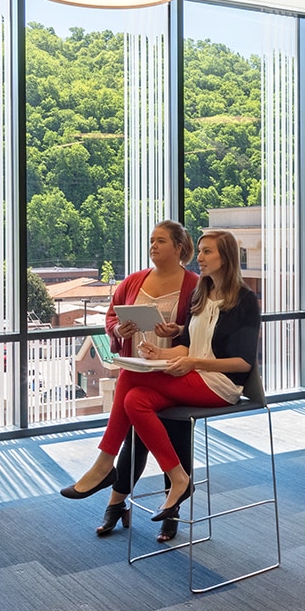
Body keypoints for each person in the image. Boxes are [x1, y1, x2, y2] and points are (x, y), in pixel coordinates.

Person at [58, 230, 259, 544]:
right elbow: (190, 346)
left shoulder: (243, 299)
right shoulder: (203, 293)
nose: (200, 258)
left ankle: (103, 465)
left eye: (207, 252)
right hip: (193, 375)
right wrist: (163, 351)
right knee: (135, 398)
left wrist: (193, 362)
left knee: (130, 378)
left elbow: (243, 364)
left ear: (226, 258)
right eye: (201, 252)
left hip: (220, 385)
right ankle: (178, 478)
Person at [64, 221, 199, 536]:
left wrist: (178, 332)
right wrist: (118, 329)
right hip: (139, 368)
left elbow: (202, 333)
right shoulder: (134, 280)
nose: (153, 245)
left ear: (179, 247)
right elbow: (112, 316)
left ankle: (165, 507)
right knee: (136, 438)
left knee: (176, 438)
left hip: (173, 371)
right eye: (151, 240)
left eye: (161, 240)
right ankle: (117, 502)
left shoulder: (195, 285)